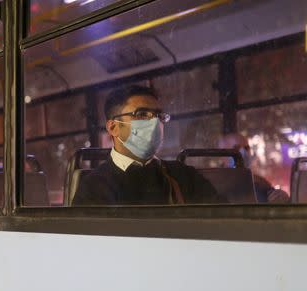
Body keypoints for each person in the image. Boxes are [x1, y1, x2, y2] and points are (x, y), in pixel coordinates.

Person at [72, 85, 224, 206]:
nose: (155, 123)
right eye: (142, 114)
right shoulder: (93, 187)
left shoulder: (184, 175)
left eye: (159, 116)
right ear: (113, 127)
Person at [217, 132, 289, 203]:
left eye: (246, 148)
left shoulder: (259, 182)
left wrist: (281, 197)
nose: (243, 152)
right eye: (237, 148)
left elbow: (275, 199)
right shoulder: (215, 182)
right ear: (222, 154)